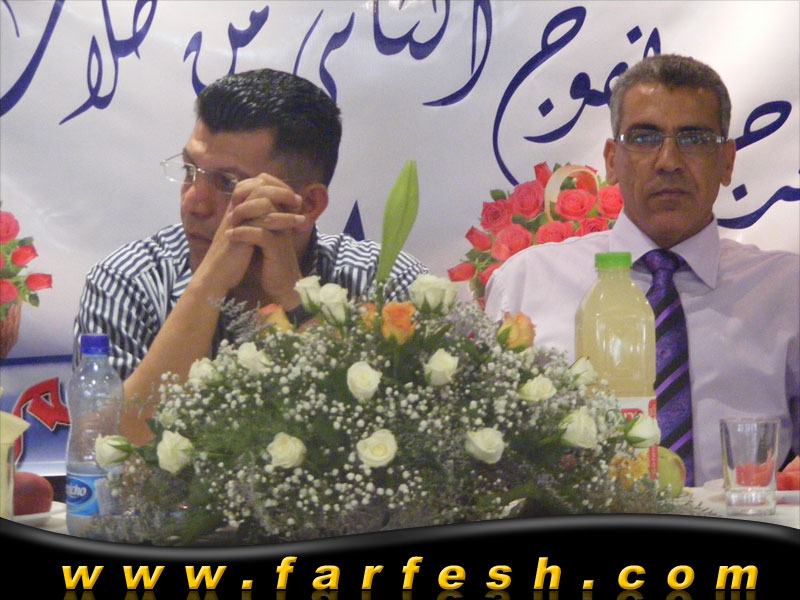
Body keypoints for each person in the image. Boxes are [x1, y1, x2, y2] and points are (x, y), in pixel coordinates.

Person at [485, 54, 799, 486]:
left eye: (694, 139)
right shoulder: (528, 281)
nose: (668, 161)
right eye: (645, 138)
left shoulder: (786, 290)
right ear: (612, 160)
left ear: (727, 161)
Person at [74, 68, 427, 445]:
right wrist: (208, 283)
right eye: (190, 170)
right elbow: (108, 451)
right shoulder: (127, 282)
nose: (193, 202)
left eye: (228, 183)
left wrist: (295, 298)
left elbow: (392, 448)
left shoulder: (381, 282)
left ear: (307, 204)